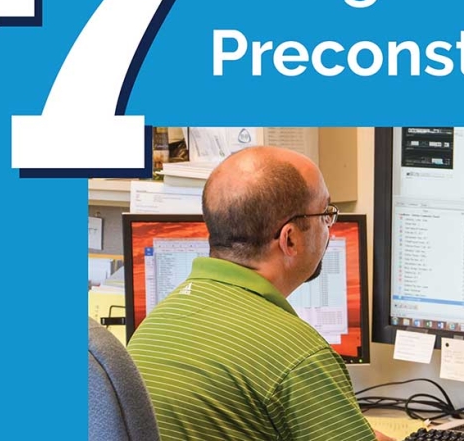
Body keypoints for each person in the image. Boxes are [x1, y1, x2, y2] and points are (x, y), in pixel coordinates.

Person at [127, 146, 392, 441]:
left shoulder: (153, 327)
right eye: (325, 214)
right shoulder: (298, 356)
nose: (330, 226)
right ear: (289, 239)